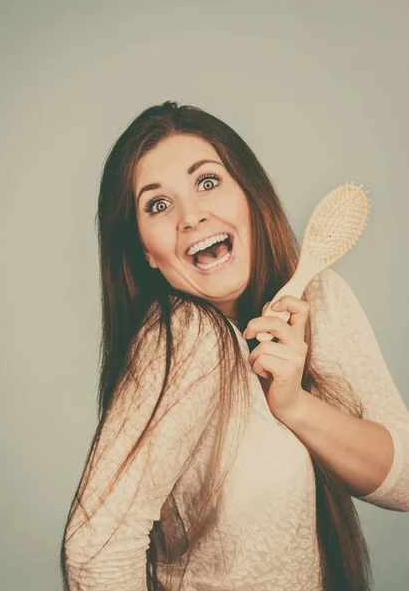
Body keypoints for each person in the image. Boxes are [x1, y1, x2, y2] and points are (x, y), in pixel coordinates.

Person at [60, 101, 409, 591]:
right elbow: (95, 549)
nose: (191, 216)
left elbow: (405, 483)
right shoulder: (184, 336)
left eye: (207, 182)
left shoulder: (318, 296)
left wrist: (293, 404)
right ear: (146, 252)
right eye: (158, 205)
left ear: (248, 193)